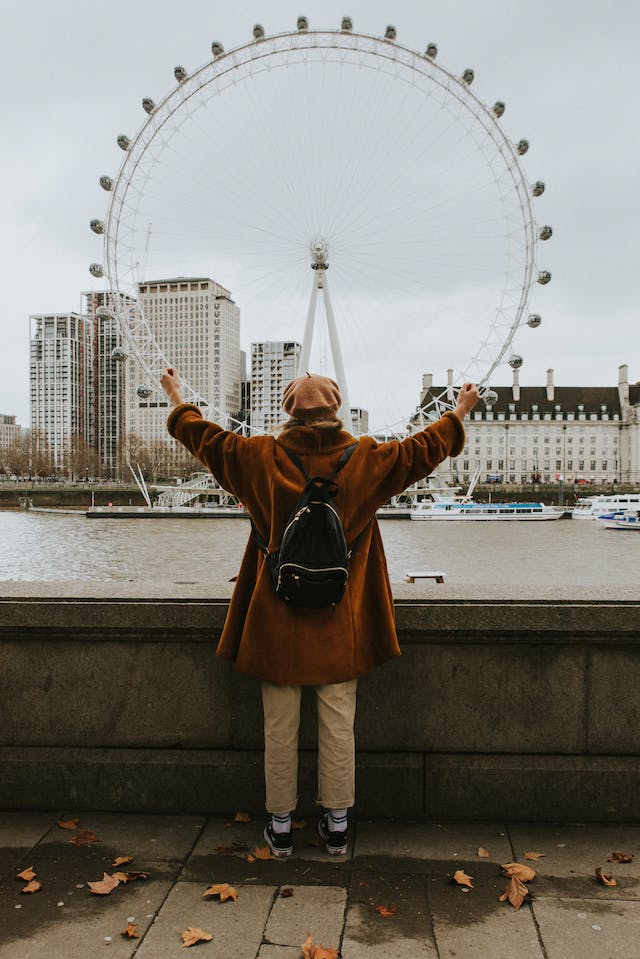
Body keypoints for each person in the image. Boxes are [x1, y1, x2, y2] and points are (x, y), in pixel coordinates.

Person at [160, 367, 479, 857]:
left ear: (289, 413)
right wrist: (457, 412)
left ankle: (282, 828)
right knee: (337, 722)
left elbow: (203, 438)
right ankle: (335, 827)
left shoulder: (256, 457)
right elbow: (422, 450)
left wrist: (178, 396)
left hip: (275, 619)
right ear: (336, 410)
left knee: (279, 726)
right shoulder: (368, 459)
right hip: (341, 618)